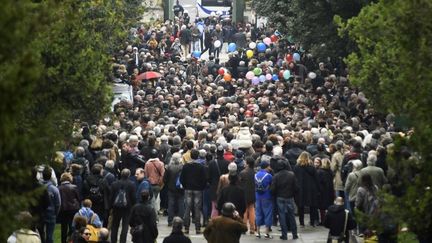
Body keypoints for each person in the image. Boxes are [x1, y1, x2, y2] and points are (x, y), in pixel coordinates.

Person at [180, 149, 207, 234]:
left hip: (188, 189)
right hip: (198, 190)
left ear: (191, 156)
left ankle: (186, 228)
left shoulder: (186, 166)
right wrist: (201, 187)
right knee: (197, 209)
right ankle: (198, 228)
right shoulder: (201, 167)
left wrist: (185, 186)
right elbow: (204, 179)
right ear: (198, 156)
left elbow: (182, 179)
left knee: (187, 208)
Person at [270, 158, 299, 240]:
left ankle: (284, 235)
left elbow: (272, 189)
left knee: (282, 216)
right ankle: (294, 234)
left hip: (280, 197)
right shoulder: (291, 174)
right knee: (291, 216)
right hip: (289, 197)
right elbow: (296, 188)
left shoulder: (276, 176)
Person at [110, 169, 136, 243]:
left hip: (116, 207)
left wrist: (111, 207)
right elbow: (133, 197)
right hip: (127, 208)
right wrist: (134, 206)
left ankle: (113, 240)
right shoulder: (132, 184)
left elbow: (111, 197)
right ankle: (122, 241)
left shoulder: (114, 183)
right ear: (129, 175)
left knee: (114, 225)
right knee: (125, 226)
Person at [294, 151, 320, 227]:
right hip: (311, 189)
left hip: (300, 189)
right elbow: (316, 179)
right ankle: (312, 222)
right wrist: (318, 189)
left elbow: (295, 178)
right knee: (312, 206)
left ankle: (301, 222)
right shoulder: (312, 167)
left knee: (300, 206)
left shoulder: (296, 167)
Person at [163, 152, 184, 226]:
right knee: (181, 204)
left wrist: (168, 184)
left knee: (171, 204)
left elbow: (165, 179)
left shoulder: (168, 167)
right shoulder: (182, 167)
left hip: (171, 188)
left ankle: (170, 220)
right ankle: (181, 220)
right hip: (180, 188)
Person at [58, 172, 80, 243]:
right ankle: (72, 240)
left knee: (63, 227)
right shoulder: (74, 187)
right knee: (72, 226)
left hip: (63, 209)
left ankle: (63, 241)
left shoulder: (59, 188)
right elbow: (79, 198)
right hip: (73, 209)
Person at [42, 166, 61, 243]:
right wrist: (56, 213)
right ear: (50, 176)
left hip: (41, 214)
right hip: (51, 213)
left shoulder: (38, 187)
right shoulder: (54, 189)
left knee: (41, 234)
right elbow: (58, 203)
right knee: (50, 236)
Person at [254, 161, 273, 239]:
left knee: (258, 213)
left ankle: (258, 232)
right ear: (266, 167)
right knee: (268, 214)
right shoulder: (269, 176)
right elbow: (272, 185)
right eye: (269, 166)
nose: (270, 168)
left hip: (258, 197)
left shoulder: (255, 175)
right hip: (267, 196)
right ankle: (266, 233)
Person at [238, 156, 256, 234]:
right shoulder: (255, 172)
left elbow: (239, 183)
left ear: (248, 164)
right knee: (252, 209)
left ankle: (244, 228)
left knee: (244, 210)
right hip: (253, 193)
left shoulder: (243, 173)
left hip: (244, 193)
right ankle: (252, 228)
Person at [317, 158, 335, 225]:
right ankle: (330, 220)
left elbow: (318, 182)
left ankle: (323, 221)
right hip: (330, 190)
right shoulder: (330, 172)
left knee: (322, 208)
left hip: (322, 191)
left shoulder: (319, 172)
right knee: (329, 206)